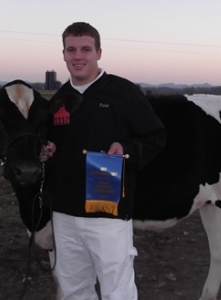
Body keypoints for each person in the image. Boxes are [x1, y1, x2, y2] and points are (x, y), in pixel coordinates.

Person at [42, 22, 167, 300]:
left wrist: (126, 148)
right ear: (63, 54)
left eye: (86, 49)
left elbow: (156, 136)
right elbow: (52, 143)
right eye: (71, 49)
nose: (78, 56)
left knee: (117, 290)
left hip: (107, 212)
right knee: (73, 289)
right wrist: (47, 150)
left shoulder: (123, 92)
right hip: (63, 213)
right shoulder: (60, 99)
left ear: (98, 52)